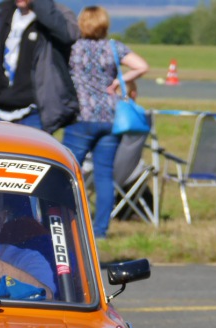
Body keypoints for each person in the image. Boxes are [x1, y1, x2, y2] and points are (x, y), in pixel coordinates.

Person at [62, 6, 147, 240]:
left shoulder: (73, 48)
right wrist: (119, 81)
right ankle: (100, 230)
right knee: (104, 176)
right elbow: (142, 66)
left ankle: (66, 223)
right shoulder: (114, 47)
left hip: (81, 117)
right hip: (110, 118)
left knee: (66, 173)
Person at [0, 0, 79, 133]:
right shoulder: (4, 13)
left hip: (34, 111)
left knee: (30, 153)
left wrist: (40, 5)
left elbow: (69, 35)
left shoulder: (56, 15)